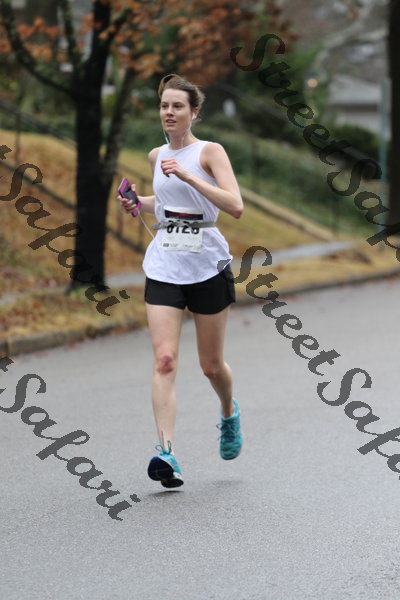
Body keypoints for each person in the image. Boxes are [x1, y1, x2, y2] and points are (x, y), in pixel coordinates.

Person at [118, 73, 244, 489]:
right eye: (164, 106)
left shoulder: (210, 152)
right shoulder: (156, 156)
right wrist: (138, 202)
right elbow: (167, 203)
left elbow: (235, 205)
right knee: (165, 360)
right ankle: (166, 453)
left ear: (194, 112)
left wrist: (191, 176)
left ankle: (228, 413)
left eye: (177, 106)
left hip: (207, 263)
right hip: (166, 263)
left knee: (211, 366)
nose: (169, 113)